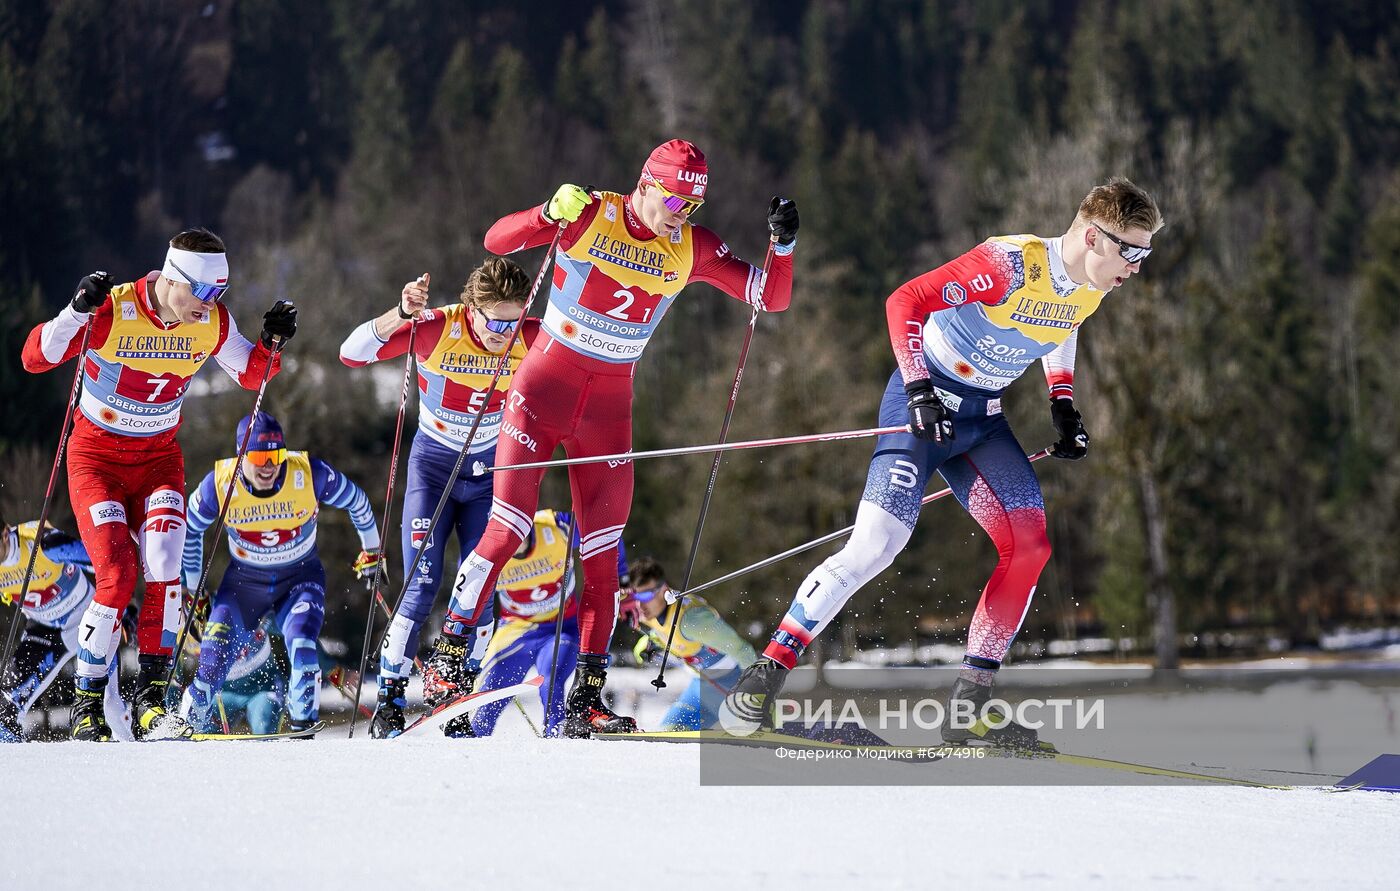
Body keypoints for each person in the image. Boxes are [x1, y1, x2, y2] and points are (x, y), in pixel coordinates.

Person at [723, 178, 1163, 747]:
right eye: (1131, 250)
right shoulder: (1008, 264)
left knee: (1030, 546)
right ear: (1091, 237)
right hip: (922, 408)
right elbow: (903, 301)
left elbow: (1062, 325)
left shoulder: (1093, 285)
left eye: (1146, 253)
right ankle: (763, 679)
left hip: (981, 421)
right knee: (875, 545)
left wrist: (1062, 401)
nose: (1137, 265)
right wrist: (918, 390)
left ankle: (969, 705)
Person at [425, 139, 800, 738]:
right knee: (508, 529)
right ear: (646, 184)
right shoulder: (592, 214)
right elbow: (498, 240)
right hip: (542, 390)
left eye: (692, 206)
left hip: (609, 411)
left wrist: (782, 247)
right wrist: (547, 215)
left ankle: (586, 700)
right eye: (675, 200)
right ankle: (448, 660)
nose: (681, 215)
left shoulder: (692, 247)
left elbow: (769, 297)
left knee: (601, 558)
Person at [21, 228, 296, 741]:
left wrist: (271, 342)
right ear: (173, 280)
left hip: (157, 462)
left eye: (222, 293)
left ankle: (150, 697)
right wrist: (77, 310)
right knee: (118, 575)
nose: (212, 304)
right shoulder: (115, 310)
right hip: (96, 461)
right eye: (205, 291)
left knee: (167, 563)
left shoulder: (211, 321)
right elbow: (35, 358)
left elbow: (252, 375)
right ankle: (87, 704)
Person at [339, 257, 540, 738]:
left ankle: (460, 692)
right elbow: (351, 353)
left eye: (514, 321)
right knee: (422, 584)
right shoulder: (436, 328)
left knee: (481, 589)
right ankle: (389, 698)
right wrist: (399, 316)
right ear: (471, 309)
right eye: (494, 321)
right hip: (434, 470)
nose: (503, 333)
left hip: (491, 472)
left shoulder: (532, 333)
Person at [178, 411, 380, 735]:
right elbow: (190, 531)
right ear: (240, 455)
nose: (269, 466)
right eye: (259, 456)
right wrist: (194, 591)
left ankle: (303, 727)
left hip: (299, 580)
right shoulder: (219, 484)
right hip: (244, 585)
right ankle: (182, 730)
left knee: (302, 646)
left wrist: (372, 551)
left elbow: (358, 501)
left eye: (275, 455)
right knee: (210, 667)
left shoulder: (310, 474)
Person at [469, 509, 626, 737]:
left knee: (550, 682)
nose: (514, 540)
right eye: (506, 532)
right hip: (515, 630)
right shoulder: (486, 549)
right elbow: (468, 600)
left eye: (518, 531)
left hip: (562, 628)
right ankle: (467, 749)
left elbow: (605, 533)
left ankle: (557, 735)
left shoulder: (555, 527)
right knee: (485, 699)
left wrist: (622, 577)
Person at [0, 512, 130, 741]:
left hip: (89, 621)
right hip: (45, 631)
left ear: (4, 533)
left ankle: (140, 751)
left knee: (111, 708)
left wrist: (123, 609)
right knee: (4, 713)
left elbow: (104, 566)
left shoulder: (42, 542)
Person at [622, 556, 755, 731]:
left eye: (646, 595)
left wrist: (760, 697)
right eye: (635, 596)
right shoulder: (647, 612)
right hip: (699, 689)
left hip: (730, 686)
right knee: (668, 733)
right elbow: (660, 633)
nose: (639, 604)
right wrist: (648, 644)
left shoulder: (692, 621)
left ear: (664, 589)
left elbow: (744, 651)